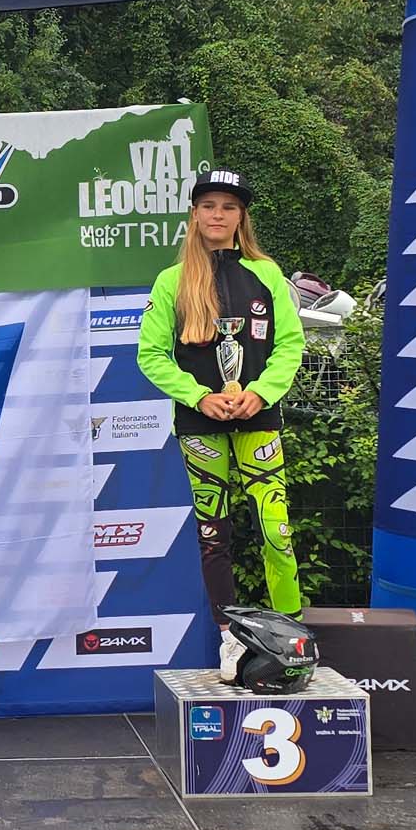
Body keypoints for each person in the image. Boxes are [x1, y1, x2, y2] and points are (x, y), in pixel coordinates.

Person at [136, 169, 305, 679]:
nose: (218, 214)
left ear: (241, 216)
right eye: (208, 205)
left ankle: (293, 634)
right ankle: (230, 639)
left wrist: (260, 392)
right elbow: (151, 355)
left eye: (228, 206)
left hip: (258, 418)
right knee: (214, 534)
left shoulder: (267, 274)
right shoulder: (172, 281)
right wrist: (200, 396)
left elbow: (289, 344)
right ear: (194, 214)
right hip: (201, 423)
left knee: (275, 529)